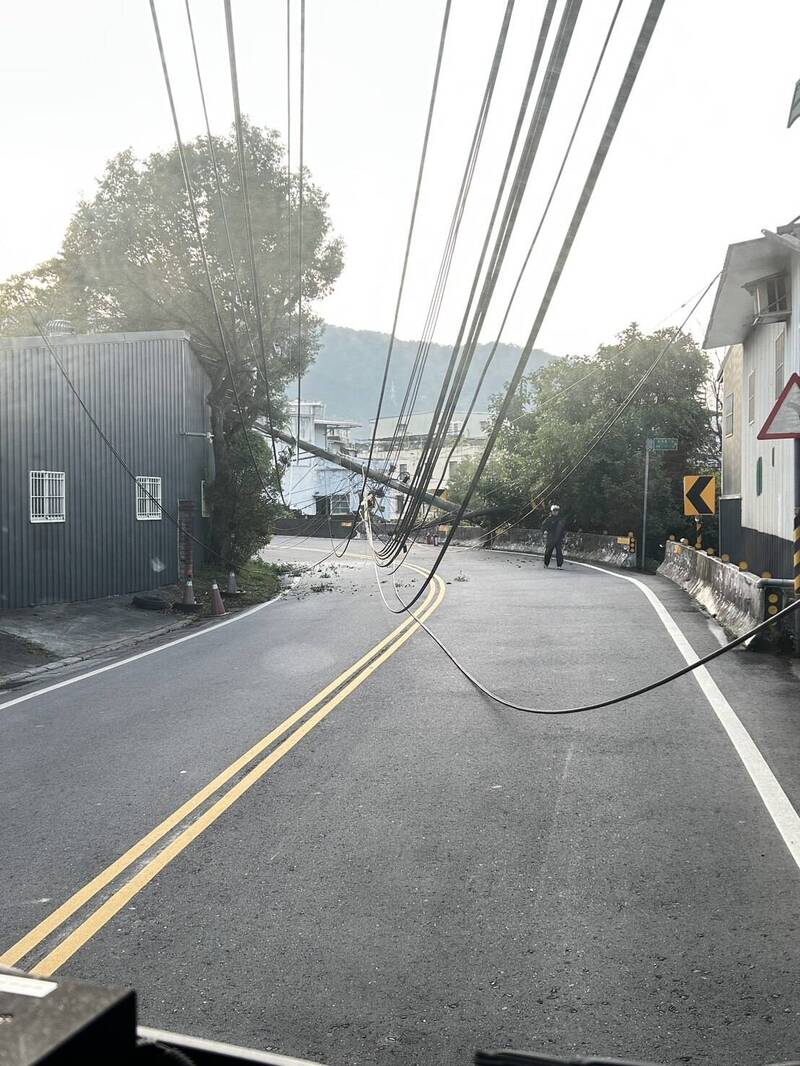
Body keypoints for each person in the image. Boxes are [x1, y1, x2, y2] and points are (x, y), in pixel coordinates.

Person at [541, 503, 566, 569]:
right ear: (551, 511)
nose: (555, 512)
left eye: (557, 511)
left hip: (558, 538)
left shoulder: (560, 519)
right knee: (548, 551)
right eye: (554, 511)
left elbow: (563, 529)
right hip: (550, 537)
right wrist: (545, 531)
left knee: (559, 552)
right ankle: (546, 564)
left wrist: (563, 536)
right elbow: (543, 527)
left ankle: (559, 565)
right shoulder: (548, 519)